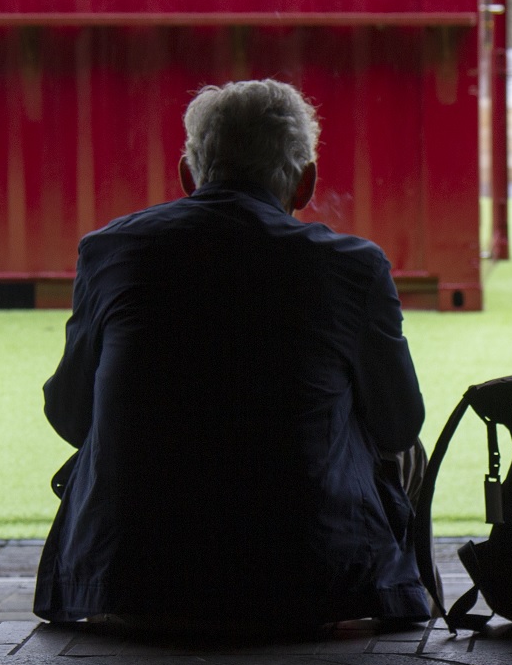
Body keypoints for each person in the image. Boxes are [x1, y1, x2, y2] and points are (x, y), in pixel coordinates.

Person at [34, 79, 431, 633]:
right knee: (406, 447)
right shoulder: (353, 266)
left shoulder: (111, 250)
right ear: (306, 183)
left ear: (187, 175)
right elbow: (398, 423)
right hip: (313, 585)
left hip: (129, 582)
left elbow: (69, 415)